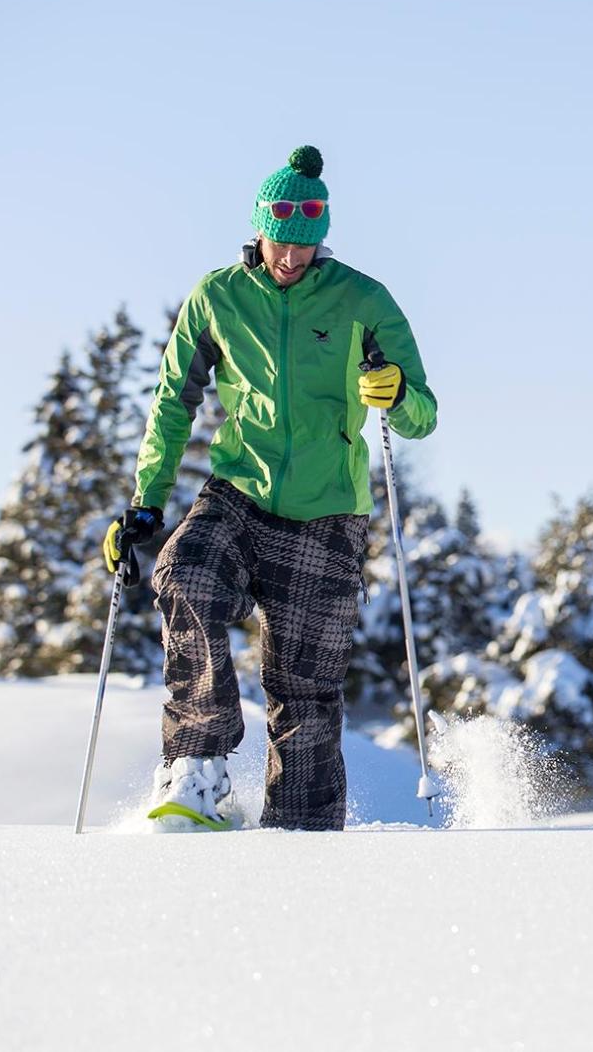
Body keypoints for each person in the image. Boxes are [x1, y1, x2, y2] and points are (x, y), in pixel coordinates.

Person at [101, 146, 438, 831]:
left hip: (328, 513)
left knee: (303, 696)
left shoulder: (363, 300)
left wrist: (396, 394)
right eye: (282, 242)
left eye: (306, 246)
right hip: (239, 490)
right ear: (259, 228)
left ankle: (301, 845)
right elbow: (173, 402)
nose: (292, 258)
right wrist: (147, 501)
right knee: (183, 574)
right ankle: (199, 768)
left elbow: (422, 414)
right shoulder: (216, 297)